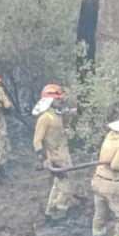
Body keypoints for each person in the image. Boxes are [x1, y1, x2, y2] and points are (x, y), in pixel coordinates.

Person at [32, 84, 72, 222]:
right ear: (50, 100)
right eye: (58, 99)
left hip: (64, 154)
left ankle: (49, 212)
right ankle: (60, 215)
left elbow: (67, 112)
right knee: (65, 188)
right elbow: (37, 140)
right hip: (55, 158)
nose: (61, 100)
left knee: (57, 185)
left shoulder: (57, 113)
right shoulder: (45, 118)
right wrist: (42, 157)